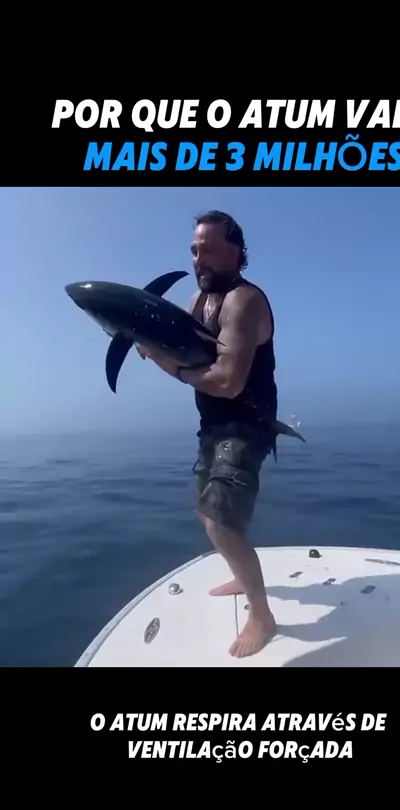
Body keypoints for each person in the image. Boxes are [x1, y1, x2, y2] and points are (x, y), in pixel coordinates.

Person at [137, 210, 278, 658]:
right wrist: (136, 334)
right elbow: (169, 338)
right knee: (207, 513)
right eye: (195, 250)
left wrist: (171, 367)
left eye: (210, 250)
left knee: (221, 521)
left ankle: (262, 615)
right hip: (213, 423)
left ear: (236, 252)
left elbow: (228, 381)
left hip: (248, 422)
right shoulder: (199, 301)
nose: (200, 259)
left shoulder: (243, 302)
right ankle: (241, 572)